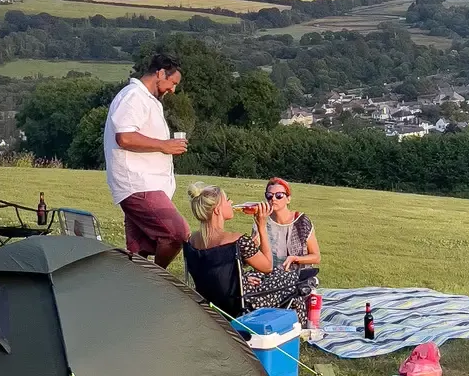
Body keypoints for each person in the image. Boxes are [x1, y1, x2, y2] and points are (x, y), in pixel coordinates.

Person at [103, 53, 190, 268]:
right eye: (172, 83)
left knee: (138, 250)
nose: (173, 89)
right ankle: (156, 280)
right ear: (160, 73)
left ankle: (137, 291)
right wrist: (164, 145)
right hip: (139, 184)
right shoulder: (134, 96)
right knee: (177, 233)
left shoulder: (145, 99)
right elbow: (124, 137)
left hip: (144, 185)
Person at [183, 183, 312, 320]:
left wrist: (242, 279)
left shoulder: (191, 240)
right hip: (241, 303)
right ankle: (299, 326)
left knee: (255, 275)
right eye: (227, 200)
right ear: (217, 210)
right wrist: (262, 226)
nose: (231, 202)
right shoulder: (237, 240)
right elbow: (268, 267)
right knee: (291, 279)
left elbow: (215, 267)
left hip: (213, 302)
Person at [243, 178, 321, 318]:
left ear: (288, 199)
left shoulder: (301, 222)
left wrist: (296, 258)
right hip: (268, 276)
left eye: (279, 195)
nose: (274, 199)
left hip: (295, 276)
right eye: (269, 196)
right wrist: (254, 244)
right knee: (245, 282)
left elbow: (316, 256)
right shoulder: (262, 221)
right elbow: (256, 257)